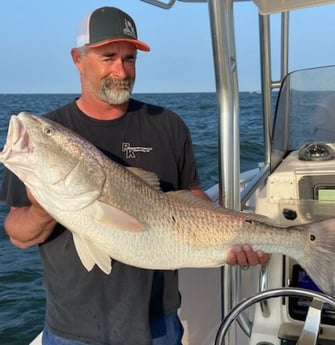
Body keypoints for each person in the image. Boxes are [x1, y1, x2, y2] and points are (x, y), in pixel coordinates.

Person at [0, 6, 268, 345]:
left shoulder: (167, 125)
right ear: (78, 59)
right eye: (108, 56)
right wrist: (42, 209)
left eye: (130, 59)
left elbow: (193, 196)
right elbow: (18, 235)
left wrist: (235, 232)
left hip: (159, 323)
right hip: (73, 329)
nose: (121, 70)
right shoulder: (47, 139)